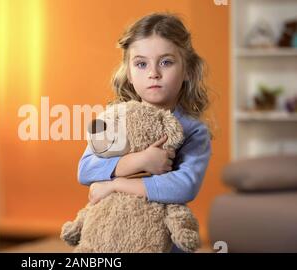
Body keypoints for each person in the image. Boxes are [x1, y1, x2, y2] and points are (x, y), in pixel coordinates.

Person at [77, 13, 213, 251]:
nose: (153, 73)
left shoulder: (193, 131)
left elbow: (184, 186)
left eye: (166, 62)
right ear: (129, 73)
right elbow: (86, 169)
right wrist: (140, 161)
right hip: (113, 235)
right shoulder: (115, 120)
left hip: (163, 239)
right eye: (141, 64)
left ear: (188, 70)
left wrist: (115, 185)